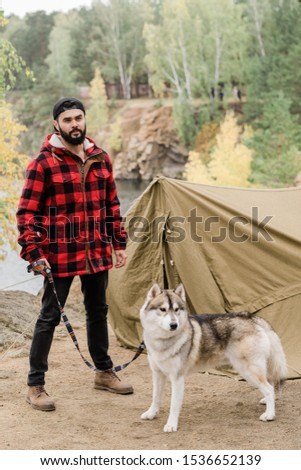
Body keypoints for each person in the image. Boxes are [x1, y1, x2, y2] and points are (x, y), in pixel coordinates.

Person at [16, 97, 133, 412]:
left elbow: (111, 206)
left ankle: (104, 373)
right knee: (49, 318)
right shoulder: (43, 163)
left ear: (84, 120)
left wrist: (118, 242)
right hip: (59, 255)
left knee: (98, 311)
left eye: (78, 118)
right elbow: (27, 214)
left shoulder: (100, 158)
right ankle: (35, 385)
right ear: (57, 124)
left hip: (95, 251)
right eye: (67, 120)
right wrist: (34, 252)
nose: (74, 125)